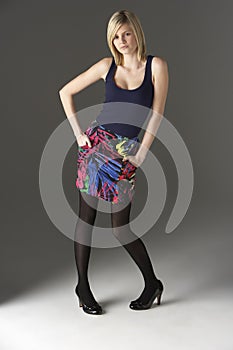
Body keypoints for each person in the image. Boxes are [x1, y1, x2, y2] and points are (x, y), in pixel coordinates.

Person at [59, 9, 169, 315]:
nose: (121, 41)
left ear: (136, 32)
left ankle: (152, 283)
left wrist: (143, 152)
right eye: (115, 36)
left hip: (126, 153)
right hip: (95, 149)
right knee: (87, 221)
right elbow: (65, 92)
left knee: (121, 228)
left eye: (126, 33)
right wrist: (79, 134)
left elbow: (156, 114)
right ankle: (82, 286)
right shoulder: (107, 66)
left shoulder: (156, 66)